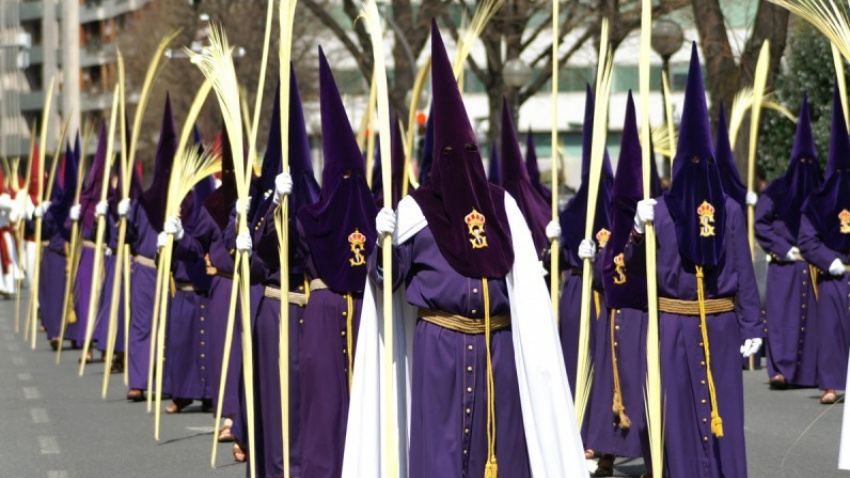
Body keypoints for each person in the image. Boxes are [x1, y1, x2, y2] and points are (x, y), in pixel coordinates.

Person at [341, 20, 585, 478]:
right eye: (453, 157)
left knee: (504, 455)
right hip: (439, 351)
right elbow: (384, 282)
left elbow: (527, 282)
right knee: (440, 457)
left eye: (469, 154)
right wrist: (384, 245)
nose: (463, 167)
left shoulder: (501, 207)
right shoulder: (416, 211)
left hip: (501, 349)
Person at [626, 43, 762, 478]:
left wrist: (752, 323)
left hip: (720, 327)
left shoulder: (731, 211)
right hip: (672, 328)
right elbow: (630, 276)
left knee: (723, 417)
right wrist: (634, 230)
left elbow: (741, 270)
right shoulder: (659, 212)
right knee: (677, 416)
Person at [293, 48, 378, 478]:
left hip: (366, 316)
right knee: (324, 407)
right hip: (326, 318)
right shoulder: (307, 217)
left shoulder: (376, 212)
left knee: (366, 405)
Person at [585, 92, 660, 477]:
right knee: (608, 388)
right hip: (613, 317)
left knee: (644, 386)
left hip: (644, 318)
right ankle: (606, 453)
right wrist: (591, 257)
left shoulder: (655, 226)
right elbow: (603, 279)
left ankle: (653, 458)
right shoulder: (611, 233)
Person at [755, 95, 821, 390]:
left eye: (810, 162)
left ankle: (810, 372)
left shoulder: (824, 188)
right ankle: (780, 370)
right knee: (783, 319)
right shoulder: (779, 189)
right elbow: (761, 223)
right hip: (786, 264)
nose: (805, 166)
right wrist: (784, 248)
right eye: (801, 161)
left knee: (814, 321)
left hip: (814, 266)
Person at [798, 85, 850, 405]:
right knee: (830, 329)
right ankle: (830, 383)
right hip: (834, 271)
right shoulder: (817, 200)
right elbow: (806, 238)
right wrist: (827, 259)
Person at [125, 96, 177, 401]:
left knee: (171, 328)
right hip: (146, 267)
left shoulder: (185, 203)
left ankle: (169, 381)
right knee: (143, 324)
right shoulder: (143, 201)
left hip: (172, 271)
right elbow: (130, 233)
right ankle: (139, 380)